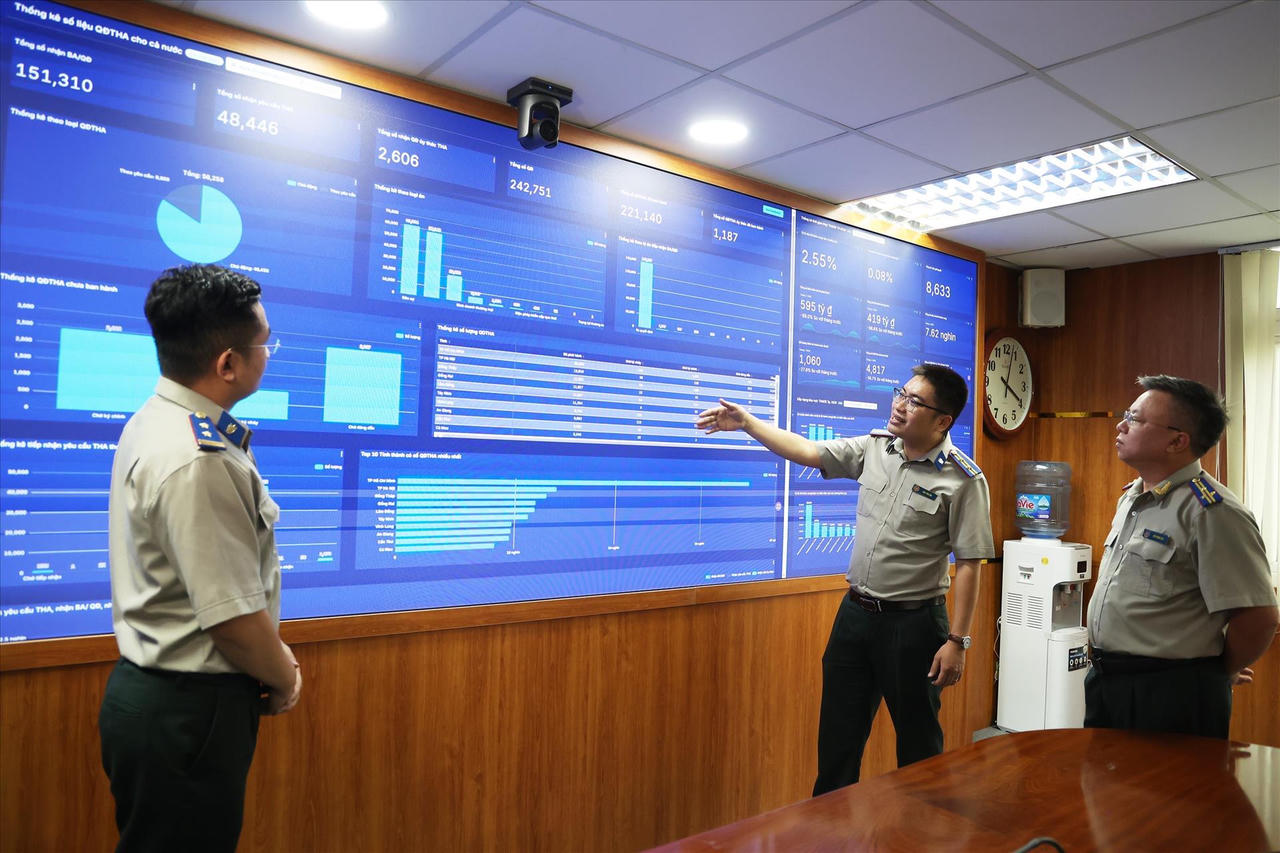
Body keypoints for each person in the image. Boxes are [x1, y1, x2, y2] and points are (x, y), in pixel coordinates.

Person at [697, 363, 994, 794]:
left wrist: (958, 642)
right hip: (856, 615)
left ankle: (922, 826)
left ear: (942, 421)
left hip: (914, 626)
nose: (899, 405)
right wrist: (747, 423)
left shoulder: (963, 479)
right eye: (901, 393)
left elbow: (969, 562)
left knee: (918, 746)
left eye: (914, 401)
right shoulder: (876, 448)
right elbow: (807, 450)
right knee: (838, 740)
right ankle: (830, 825)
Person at [98, 264, 302, 853]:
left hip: (163, 703)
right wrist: (285, 677)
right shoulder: (198, 458)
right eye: (264, 344)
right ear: (228, 364)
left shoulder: (156, 419)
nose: (269, 354)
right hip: (190, 713)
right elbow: (232, 619)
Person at [1086, 375, 1278, 737]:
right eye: (1126, 415)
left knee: (1169, 778)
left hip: (1172, 692)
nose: (1121, 426)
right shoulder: (1132, 498)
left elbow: (1259, 617)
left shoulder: (1212, 512)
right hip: (1107, 682)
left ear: (1177, 441)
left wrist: (1217, 671)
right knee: (1103, 775)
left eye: (1135, 419)